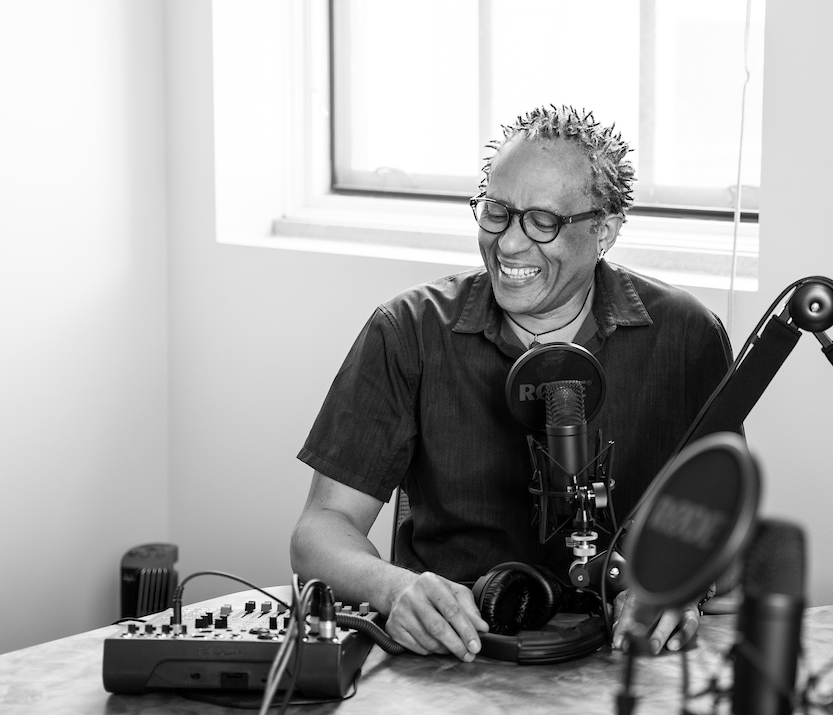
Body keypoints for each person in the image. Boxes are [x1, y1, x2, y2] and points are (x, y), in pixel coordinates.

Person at [290, 104, 733, 663]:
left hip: (631, 661)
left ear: (606, 230)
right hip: (454, 660)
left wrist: (677, 583)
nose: (510, 244)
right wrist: (393, 587)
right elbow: (320, 531)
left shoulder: (688, 336)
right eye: (497, 211)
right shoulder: (407, 331)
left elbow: (723, 528)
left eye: (543, 221)